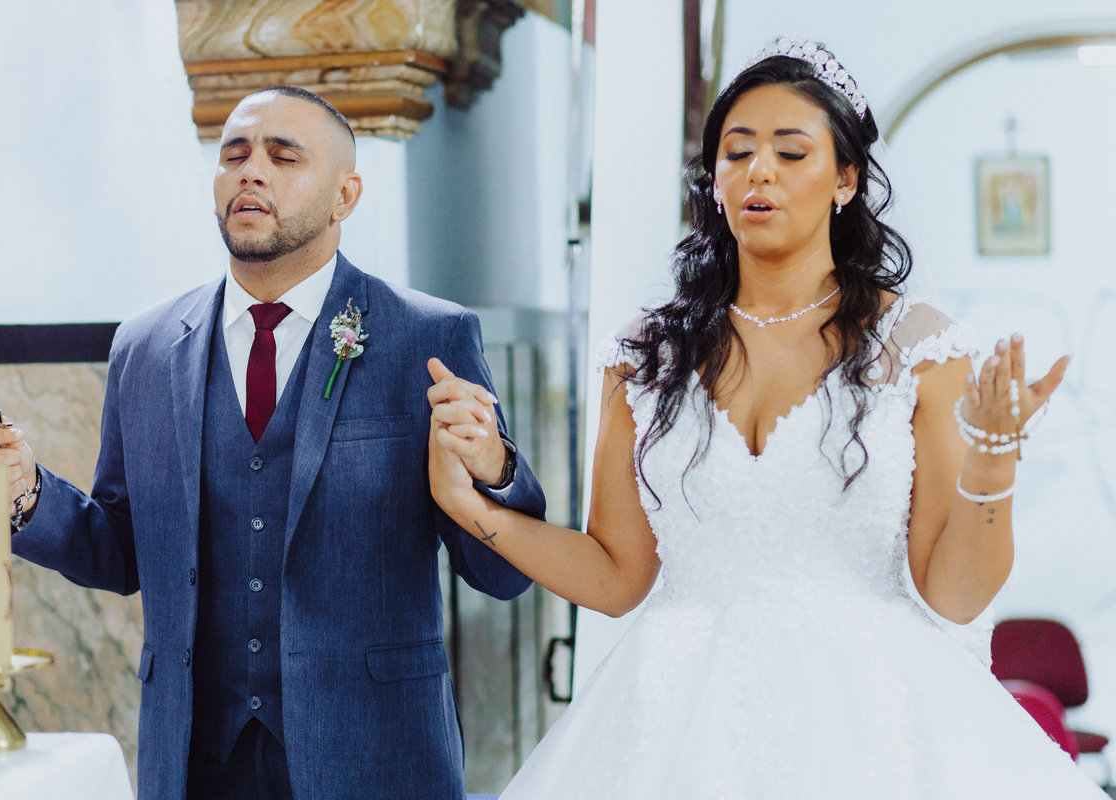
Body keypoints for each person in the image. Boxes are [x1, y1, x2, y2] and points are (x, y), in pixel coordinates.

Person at [426, 37, 1106, 797]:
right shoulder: (647, 355)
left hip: (869, 719)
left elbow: (952, 594)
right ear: (714, 180)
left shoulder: (918, 348)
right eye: (737, 152)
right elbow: (617, 576)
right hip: (674, 720)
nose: (759, 172)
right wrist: (470, 508)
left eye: (791, 153)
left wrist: (990, 464)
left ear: (845, 178)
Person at [0, 85, 545, 800]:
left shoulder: (427, 338)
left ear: (345, 195)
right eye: (234, 154)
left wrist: (495, 469)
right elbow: (122, 550)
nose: (251, 172)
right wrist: (30, 495)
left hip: (374, 757)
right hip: (197, 762)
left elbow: (503, 576)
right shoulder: (145, 348)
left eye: (283, 155)